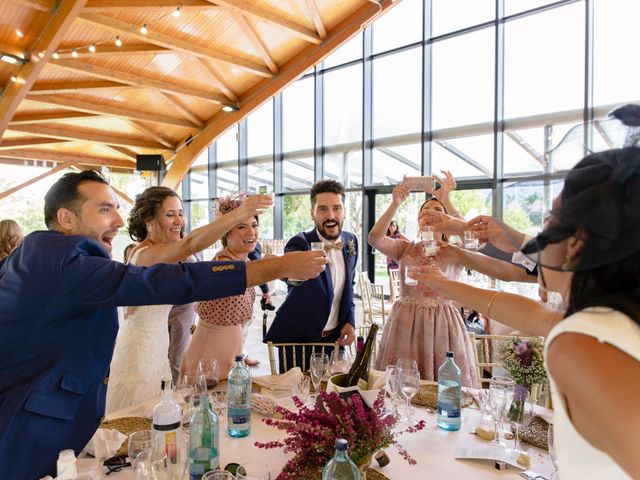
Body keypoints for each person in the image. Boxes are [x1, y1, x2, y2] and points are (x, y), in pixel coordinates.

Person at [0, 170, 327, 479]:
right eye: (103, 209)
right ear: (66, 218)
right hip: (30, 421)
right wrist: (271, 268)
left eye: (116, 209)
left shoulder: (33, 253)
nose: (116, 219)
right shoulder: (68, 264)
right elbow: (166, 281)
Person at [411, 145, 640, 478]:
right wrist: (444, 282)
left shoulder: (580, 345)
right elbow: (534, 316)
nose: (534, 239)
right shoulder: (605, 319)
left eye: (548, 222)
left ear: (576, 242)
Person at [105, 186, 271, 414]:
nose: (179, 221)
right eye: (170, 214)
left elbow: (193, 255)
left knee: (157, 417)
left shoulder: (162, 250)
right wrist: (240, 213)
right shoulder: (145, 254)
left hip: (156, 347)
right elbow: (192, 244)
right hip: (140, 352)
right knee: (135, 419)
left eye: (181, 214)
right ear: (149, 220)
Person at [368, 179, 478, 387]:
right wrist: (395, 203)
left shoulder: (455, 251)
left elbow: (473, 239)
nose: (429, 212)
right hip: (405, 324)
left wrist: (448, 201)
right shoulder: (405, 248)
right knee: (401, 387)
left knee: (444, 388)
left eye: (437, 209)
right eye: (425, 209)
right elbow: (374, 238)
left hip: (443, 325)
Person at [264, 179, 358, 372]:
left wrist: (350, 321)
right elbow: (291, 276)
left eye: (337, 208)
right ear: (312, 213)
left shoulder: (351, 241)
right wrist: (282, 268)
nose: (331, 216)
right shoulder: (300, 243)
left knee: (330, 398)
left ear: (344, 211)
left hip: (334, 341)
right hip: (299, 341)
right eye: (323, 209)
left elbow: (350, 285)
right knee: (295, 399)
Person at [181, 194, 262, 379]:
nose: (251, 233)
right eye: (241, 226)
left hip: (232, 346)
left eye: (254, 225)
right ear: (226, 232)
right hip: (212, 349)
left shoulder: (243, 260)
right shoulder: (223, 265)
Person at [385, 219, 407, 302]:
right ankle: (392, 297)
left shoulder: (399, 235)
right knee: (391, 278)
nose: (393, 227)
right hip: (390, 259)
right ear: (388, 226)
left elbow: (409, 241)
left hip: (398, 259)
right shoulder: (387, 236)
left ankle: (400, 296)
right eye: (391, 225)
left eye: (395, 225)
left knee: (399, 278)